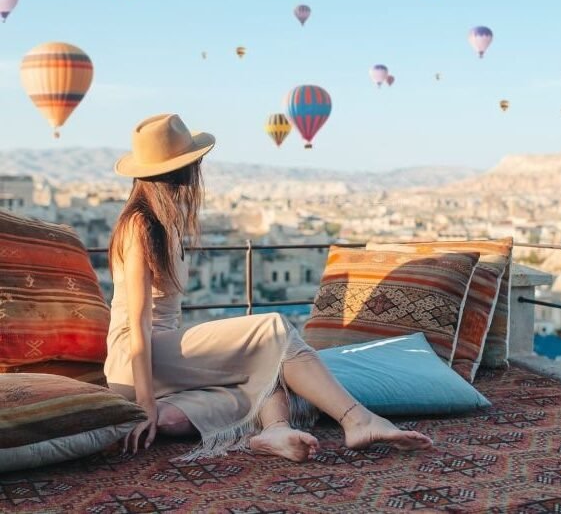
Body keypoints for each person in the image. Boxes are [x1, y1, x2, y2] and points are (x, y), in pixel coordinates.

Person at [104, 113, 433, 462]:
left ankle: (273, 431)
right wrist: (145, 404)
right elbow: (138, 326)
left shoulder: (164, 223)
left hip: (165, 358)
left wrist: (156, 409)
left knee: (252, 374)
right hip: (137, 360)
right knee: (273, 329)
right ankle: (357, 418)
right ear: (181, 168)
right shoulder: (139, 225)